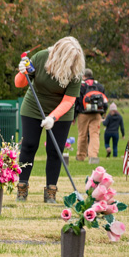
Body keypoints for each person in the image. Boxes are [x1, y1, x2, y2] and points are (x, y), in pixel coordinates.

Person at [15, 37, 84, 203]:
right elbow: (19, 84)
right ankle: (22, 188)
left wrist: (53, 117)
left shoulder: (76, 70)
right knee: (29, 145)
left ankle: (50, 191)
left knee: (55, 150)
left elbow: (69, 101)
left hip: (61, 110)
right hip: (34, 105)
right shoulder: (41, 57)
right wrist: (22, 71)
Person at [74, 68, 107, 164]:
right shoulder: (99, 86)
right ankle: (93, 157)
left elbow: (77, 101)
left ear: (83, 76)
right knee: (95, 135)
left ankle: (80, 156)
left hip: (83, 113)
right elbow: (104, 101)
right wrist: (103, 112)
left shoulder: (81, 86)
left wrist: (74, 116)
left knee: (82, 135)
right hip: (97, 113)